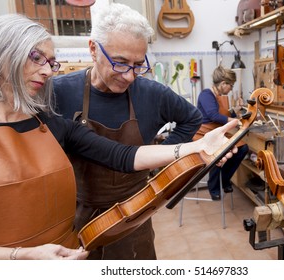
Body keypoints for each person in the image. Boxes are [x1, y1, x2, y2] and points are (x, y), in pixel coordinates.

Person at [0, 14, 237, 260]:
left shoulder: (51, 124)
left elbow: (121, 155)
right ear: (0, 55)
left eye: (51, 62)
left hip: (91, 234)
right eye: (36, 58)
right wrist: (21, 257)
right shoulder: (54, 97)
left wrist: (196, 148)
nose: (47, 71)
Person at [52, 3, 202, 260]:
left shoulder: (152, 93)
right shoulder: (59, 92)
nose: (130, 76)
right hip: (78, 216)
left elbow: (192, 118)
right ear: (93, 49)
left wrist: (157, 159)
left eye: (138, 64)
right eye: (120, 63)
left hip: (134, 214)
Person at [197, 66, 249, 201]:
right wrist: (235, 120)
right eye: (230, 85)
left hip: (217, 131)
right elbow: (213, 115)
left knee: (242, 148)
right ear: (223, 84)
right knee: (219, 152)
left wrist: (235, 110)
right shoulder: (206, 94)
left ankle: (224, 179)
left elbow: (223, 114)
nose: (231, 89)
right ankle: (213, 186)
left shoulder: (219, 96)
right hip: (205, 133)